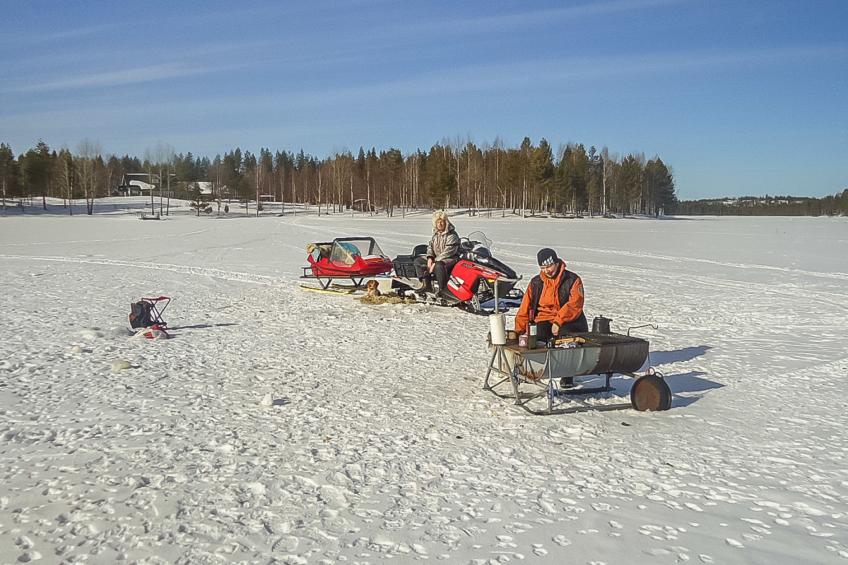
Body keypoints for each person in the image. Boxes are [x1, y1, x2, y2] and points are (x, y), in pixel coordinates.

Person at [514, 247, 588, 342]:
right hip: (543, 320)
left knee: (565, 335)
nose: (546, 271)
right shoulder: (535, 283)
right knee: (535, 334)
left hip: (567, 321)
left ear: (556, 263)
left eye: (549, 266)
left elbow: (575, 305)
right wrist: (518, 331)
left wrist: (558, 322)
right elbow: (525, 308)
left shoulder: (572, 280)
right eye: (542, 268)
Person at [417, 210, 460, 297]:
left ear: (446, 222)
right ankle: (426, 284)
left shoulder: (452, 235)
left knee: (439, 265)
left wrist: (435, 262)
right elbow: (430, 247)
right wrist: (430, 258)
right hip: (437, 257)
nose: (440, 224)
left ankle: (442, 289)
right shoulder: (436, 235)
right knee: (418, 261)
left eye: (442, 222)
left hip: (451, 258)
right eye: (438, 222)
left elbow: (449, 251)